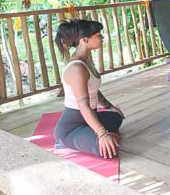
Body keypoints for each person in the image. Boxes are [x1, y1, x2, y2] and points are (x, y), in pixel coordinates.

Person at [53, 20, 124, 159]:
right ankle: (83, 137)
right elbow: (83, 106)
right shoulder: (77, 68)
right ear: (85, 40)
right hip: (71, 127)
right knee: (109, 150)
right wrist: (102, 133)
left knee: (117, 117)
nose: (102, 38)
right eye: (98, 35)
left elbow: (93, 89)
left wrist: (110, 107)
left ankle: (90, 132)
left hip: (90, 117)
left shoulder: (86, 59)